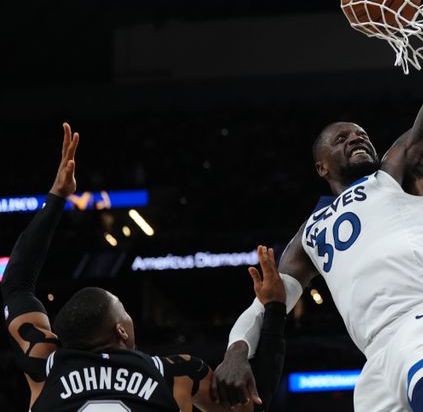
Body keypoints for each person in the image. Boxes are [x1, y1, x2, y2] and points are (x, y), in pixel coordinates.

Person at [219, 0, 423, 412]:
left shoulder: (400, 170)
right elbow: (267, 298)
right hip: (376, 360)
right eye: (341, 137)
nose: (357, 137)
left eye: (361, 133)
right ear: (320, 167)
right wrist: (235, 352)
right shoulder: (311, 232)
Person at [1, 123, 286, 412]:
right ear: (121, 331)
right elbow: (254, 403)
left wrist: (57, 196)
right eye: (125, 313)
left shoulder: (44, 364)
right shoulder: (176, 374)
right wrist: (273, 307)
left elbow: (16, 283)